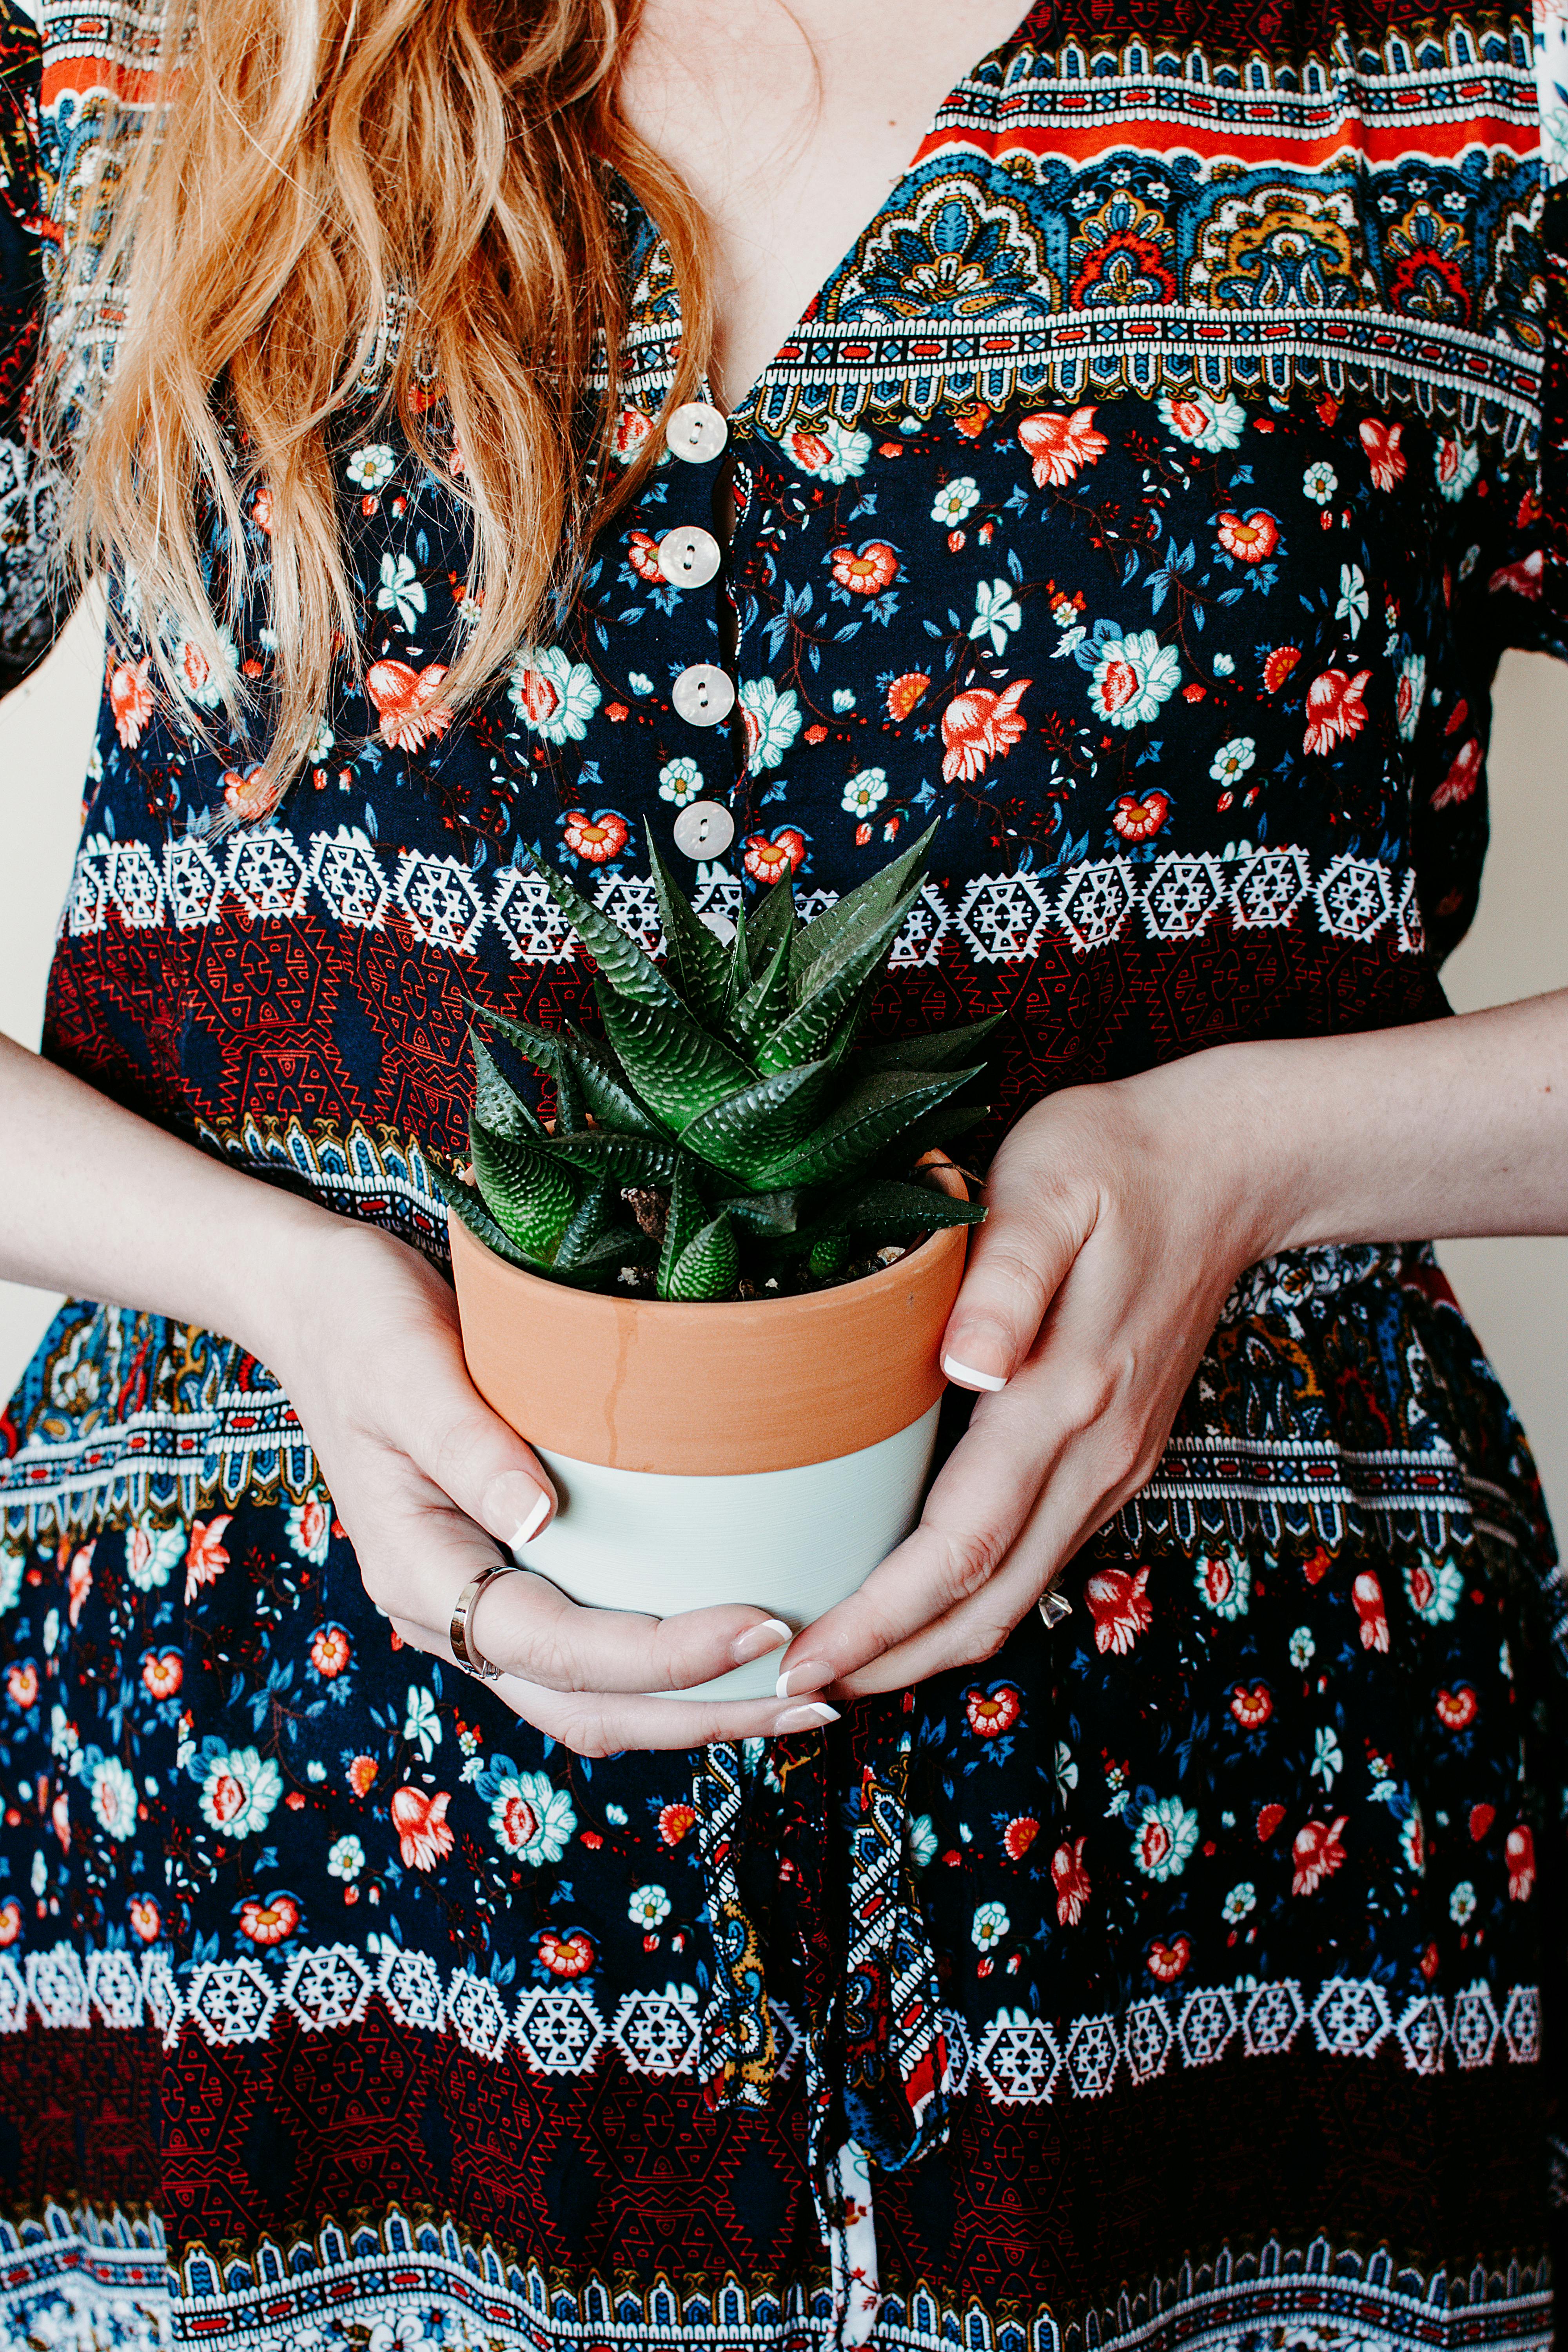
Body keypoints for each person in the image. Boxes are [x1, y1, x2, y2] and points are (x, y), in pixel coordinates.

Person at [1, 0, 1566, 2344]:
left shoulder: (1468, 85)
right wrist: (281, 1287)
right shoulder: (107, 65)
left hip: (1235, 1852)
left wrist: (1253, 1156)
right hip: (265, 1869)